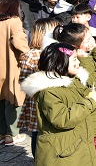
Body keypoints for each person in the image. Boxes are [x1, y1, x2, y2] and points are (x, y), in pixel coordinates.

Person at [20, 42, 96, 166]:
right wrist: (89, 102)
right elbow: (63, 119)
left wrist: (92, 96)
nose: (78, 63)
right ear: (60, 62)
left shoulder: (73, 81)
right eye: (74, 59)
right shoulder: (49, 91)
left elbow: (84, 92)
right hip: (62, 154)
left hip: (77, 147)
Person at [54, 23, 96, 157]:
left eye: (91, 37)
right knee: (89, 152)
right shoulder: (73, 62)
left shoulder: (87, 53)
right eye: (87, 40)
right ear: (75, 47)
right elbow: (88, 79)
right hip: (91, 114)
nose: (92, 41)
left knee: (95, 154)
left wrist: (95, 47)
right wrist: (84, 58)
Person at [18, 18, 60, 156]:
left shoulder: (58, 51)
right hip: (38, 100)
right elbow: (24, 80)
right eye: (54, 30)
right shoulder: (32, 55)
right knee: (38, 132)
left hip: (56, 98)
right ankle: (38, 159)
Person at [0, 0, 30, 146]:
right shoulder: (14, 21)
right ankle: (12, 135)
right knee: (13, 99)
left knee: (1, 100)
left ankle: (1, 134)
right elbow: (18, 42)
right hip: (11, 66)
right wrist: (30, 53)